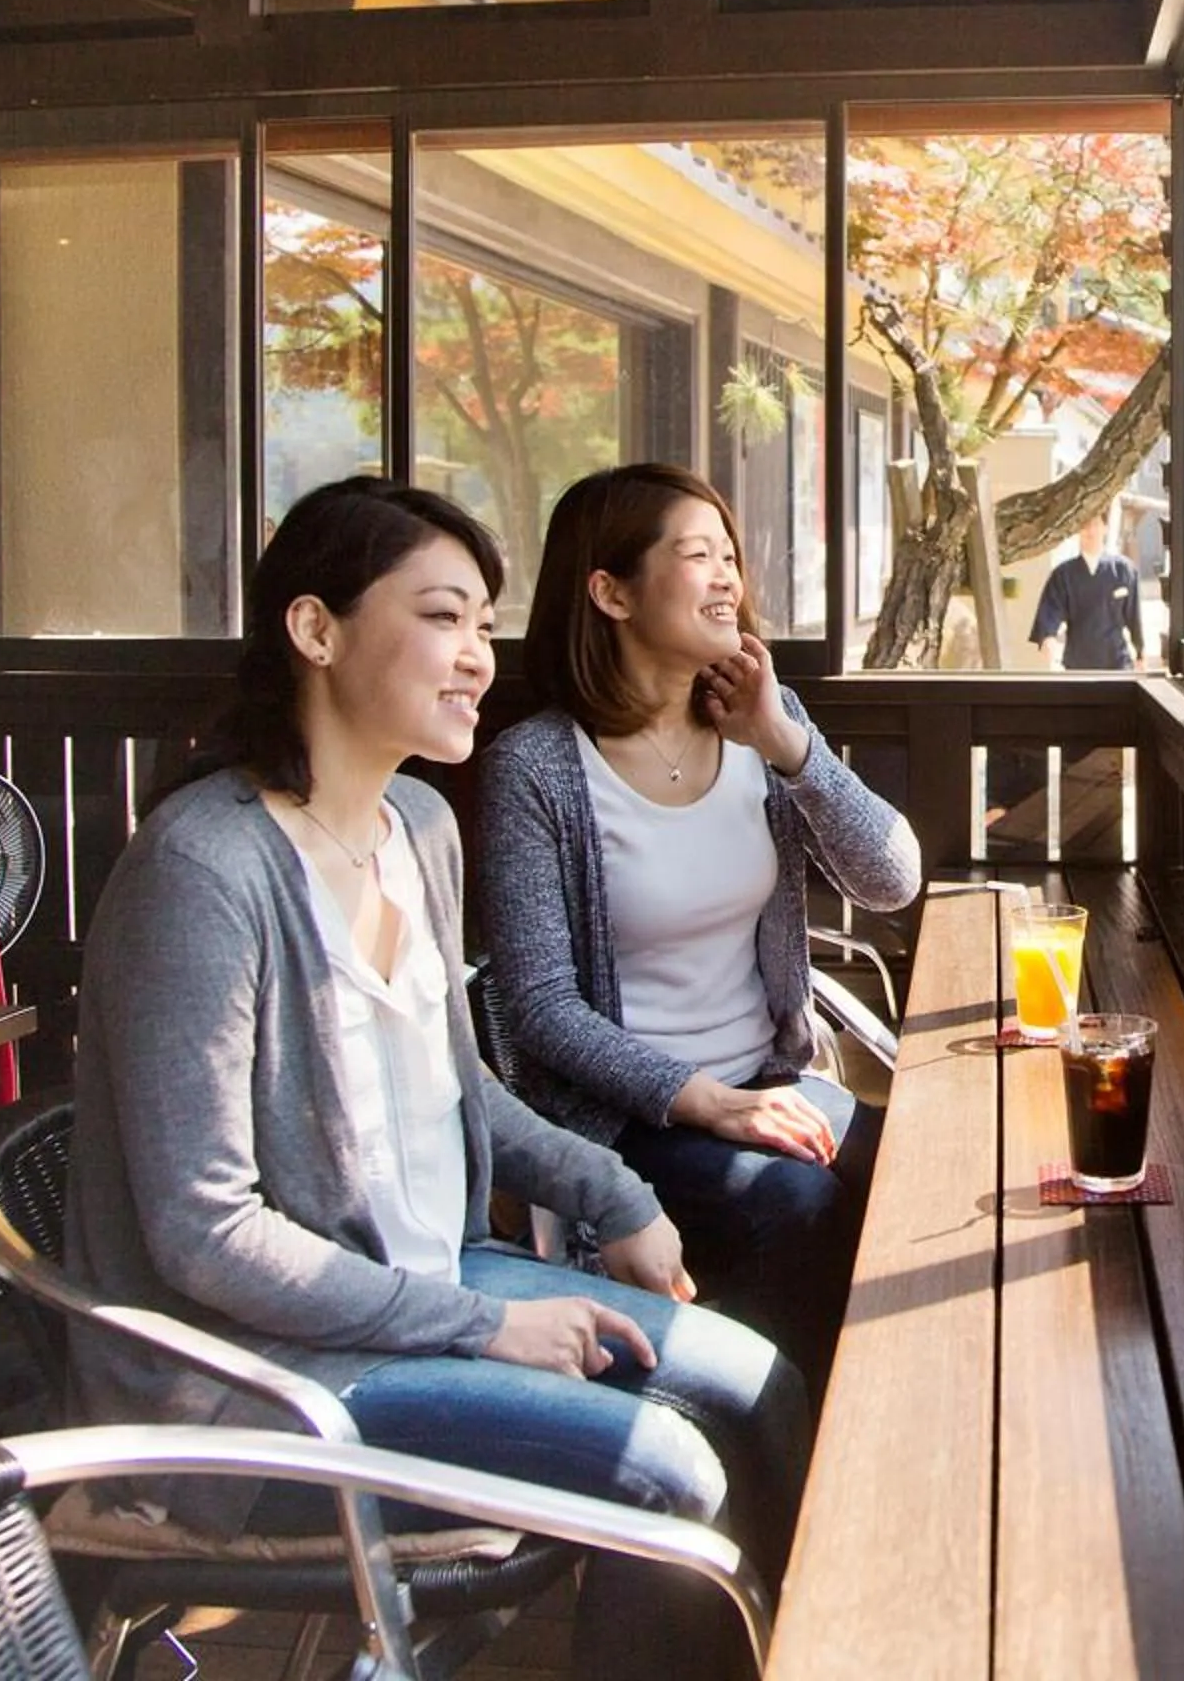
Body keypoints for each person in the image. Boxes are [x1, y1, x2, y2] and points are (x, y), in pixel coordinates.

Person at [66, 475, 806, 1676]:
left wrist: (617, 1195)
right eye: (442, 617)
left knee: (758, 1378)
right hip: (260, 1383)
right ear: (315, 629)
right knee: (667, 1467)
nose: (477, 656)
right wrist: (489, 1324)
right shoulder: (202, 869)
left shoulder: (418, 822)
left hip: (420, 1291)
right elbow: (206, 1235)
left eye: (484, 623)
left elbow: (465, 1090)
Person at [479, 464, 921, 1385]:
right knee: (795, 1210)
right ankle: (770, 1457)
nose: (728, 576)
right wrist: (714, 1103)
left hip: (773, 1082)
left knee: (920, 1175)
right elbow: (543, 1011)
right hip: (633, 1118)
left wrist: (786, 744)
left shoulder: (762, 724)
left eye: (730, 555)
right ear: (609, 591)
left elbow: (892, 880)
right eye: (696, 555)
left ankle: (894, 1428)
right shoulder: (536, 770)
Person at [1032, 510, 1143, 671]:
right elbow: (1051, 610)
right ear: (1077, 530)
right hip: (1078, 662)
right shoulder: (1063, 574)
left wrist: (1141, 653)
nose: (1090, 531)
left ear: (1105, 528)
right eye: (1084, 526)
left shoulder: (1124, 570)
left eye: (1095, 524)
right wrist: (1048, 637)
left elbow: (1135, 616)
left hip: (1116, 661)